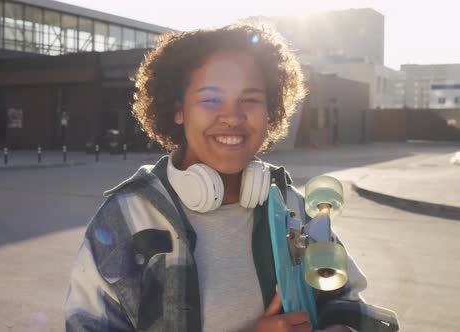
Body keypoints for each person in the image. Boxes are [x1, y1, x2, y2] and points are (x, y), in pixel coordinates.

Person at [65, 23, 398, 332]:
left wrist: (340, 326)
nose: (233, 117)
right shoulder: (125, 219)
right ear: (178, 109)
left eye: (250, 99)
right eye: (210, 99)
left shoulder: (292, 208)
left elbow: (346, 300)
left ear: (271, 111)